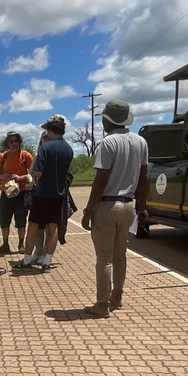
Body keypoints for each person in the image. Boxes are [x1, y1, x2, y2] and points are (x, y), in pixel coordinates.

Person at [81, 100, 149, 318]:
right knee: (121, 255)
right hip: (128, 205)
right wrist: (143, 205)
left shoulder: (108, 143)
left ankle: (102, 304)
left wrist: (88, 210)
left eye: (103, 118)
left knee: (104, 258)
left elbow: (100, 179)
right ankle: (116, 296)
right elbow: (144, 176)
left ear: (108, 120)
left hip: (108, 205)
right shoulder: (140, 142)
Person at [13, 115, 73, 271]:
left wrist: (33, 171)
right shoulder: (68, 149)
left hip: (42, 194)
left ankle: (27, 259)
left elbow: (37, 173)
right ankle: (47, 260)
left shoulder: (46, 148)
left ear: (51, 130)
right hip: (58, 194)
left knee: (33, 226)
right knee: (53, 228)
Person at [0, 131, 33, 254]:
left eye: (16, 141)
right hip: (6, 193)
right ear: (7, 143)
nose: (14, 143)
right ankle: (5, 244)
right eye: (11, 141)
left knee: (21, 220)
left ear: (20, 142)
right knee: (4, 219)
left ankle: (21, 244)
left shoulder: (26, 156)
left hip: (21, 193)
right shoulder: (3, 157)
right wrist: (4, 176)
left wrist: (21, 178)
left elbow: (32, 173)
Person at [30, 131, 50, 264]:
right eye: (44, 138)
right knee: (38, 226)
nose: (46, 141)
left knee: (50, 226)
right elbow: (31, 172)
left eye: (49, 138)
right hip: (38, 193)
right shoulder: (38, 154)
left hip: (52, 194)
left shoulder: (54, 154)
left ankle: (45, 253)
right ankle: (37, 252)